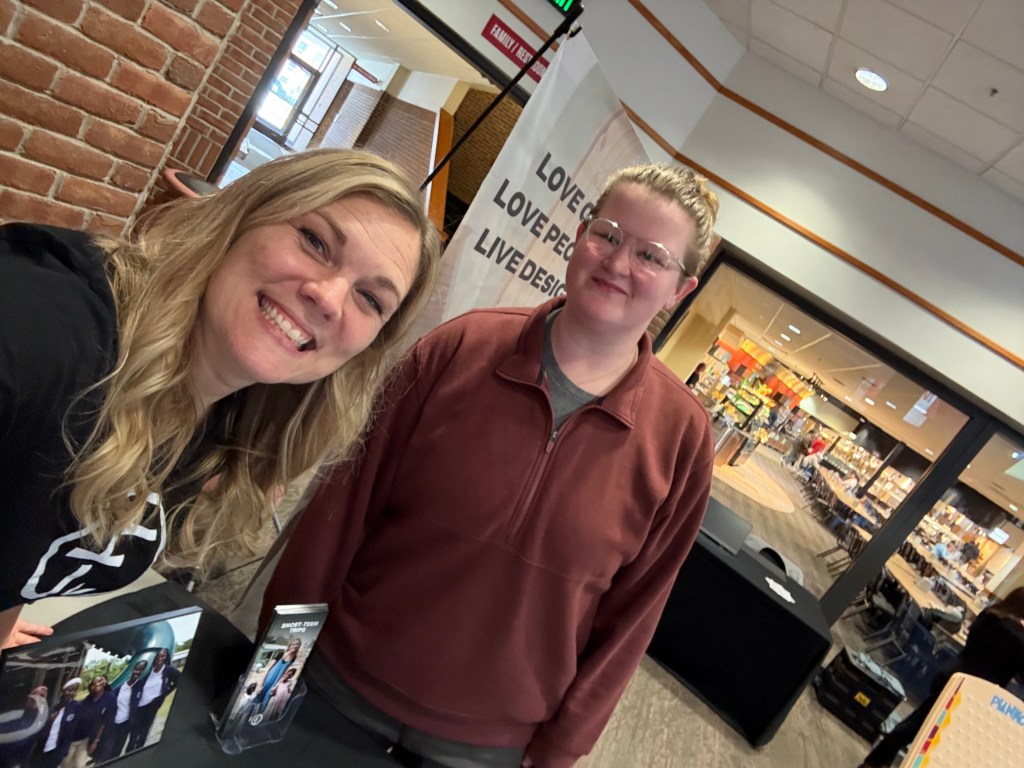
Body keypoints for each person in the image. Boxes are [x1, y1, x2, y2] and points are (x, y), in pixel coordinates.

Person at [260, 162, 720, 767]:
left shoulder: (682, 438)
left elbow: (634, 613)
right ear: (580, 236)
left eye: (651, 256)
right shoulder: (459, 349)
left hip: (487, 746)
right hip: (339, 685)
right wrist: (275, 656)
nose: (617, 262)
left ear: (680, 289)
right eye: (607, 234)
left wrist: (561, 748)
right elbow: (341, 510)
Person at [0, 149, 442, 649]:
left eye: (370, 299)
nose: (328, 298)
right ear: (243, 215)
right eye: (315, 241)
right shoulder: (46, 330)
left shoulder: (223, 420)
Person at [857, 586, 1024, 767]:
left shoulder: (989, 614)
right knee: (940, 741)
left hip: (952, 675)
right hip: (975, 696)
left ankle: (875, 761)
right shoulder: (1018, 637)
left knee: (917, 723)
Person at [126, 649, 179, 751]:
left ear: (166, 658)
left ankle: (138, 751)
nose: (160, 658)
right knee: (133, 733)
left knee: (144, 732)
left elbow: (179, 679)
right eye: (158, 655)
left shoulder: (168, 670)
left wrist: (166, 692)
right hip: (139, 705)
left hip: (152, 705)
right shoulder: (148, 669)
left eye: (163, 656)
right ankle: (128, 752)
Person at [97, 661, 146, 761]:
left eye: (141, 670)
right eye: (137, 669)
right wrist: (106, 685)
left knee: (117, 749)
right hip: (113, 722)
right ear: (133, 669)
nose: (137, 672)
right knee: (106, 749)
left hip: (126, 723)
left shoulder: (141, 685)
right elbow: (112, 695)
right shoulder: (123, 685)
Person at [61, 676, 114, 768]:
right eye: (95, 682)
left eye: (101, 680)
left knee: (80, 765)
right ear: (91, 687)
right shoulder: (86, 701)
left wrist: (96, 741)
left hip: (84, 740)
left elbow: (105, 721)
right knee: (66, 765)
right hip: (72, 739)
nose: (98, 683)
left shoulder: (109, 697)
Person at [248, 638, 302, 723]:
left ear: (299, 646)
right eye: (294, 644)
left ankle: (256, 720)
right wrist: (261, 682)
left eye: (297, 644)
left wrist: (278, 684)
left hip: (276, 681)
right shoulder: (281, 654)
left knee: (266, 700)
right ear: (290, 645)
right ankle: (247, 717)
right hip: (268, 678)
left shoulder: (293, 658)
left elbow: (285, 671)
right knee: (257, 697)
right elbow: (268, 668)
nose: (295, 646)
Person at [31, 679, 81, 768]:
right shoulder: (53, 708)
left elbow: (71, 732)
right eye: (69, 690)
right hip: (40, 748)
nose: (70, 693)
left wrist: (63, 752)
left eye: (74, 690)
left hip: (56, 751)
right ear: (63, 690)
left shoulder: (75, 707)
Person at [0, 686, 48, 768]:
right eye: (34, 696)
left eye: (41, 696)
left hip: (17, 760)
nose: (37, 699)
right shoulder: (17, 714)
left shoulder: (40, 722)